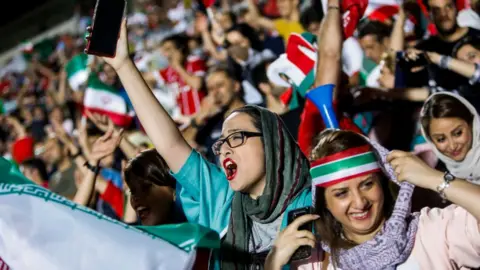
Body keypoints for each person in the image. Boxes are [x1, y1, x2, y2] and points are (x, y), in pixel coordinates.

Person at [86, 19, 312, 269]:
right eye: (222, 142)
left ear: (272, 142)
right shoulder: (220, 197)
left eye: (237, 137)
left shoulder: (310, 198)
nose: (225, 147)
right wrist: (123, 64)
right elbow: (170, 144)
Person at [266, 129, 480, 269]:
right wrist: (272, 264)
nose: (359, 202)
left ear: (382, 183)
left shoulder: (430, 231)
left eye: (367, 184)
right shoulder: (315, 263)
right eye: (341, 193)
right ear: (325, 204)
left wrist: (435, 179)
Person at [420, 92, 480, 184]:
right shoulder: (442, 169)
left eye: (458, 133)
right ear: (430, 140)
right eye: (441, 139)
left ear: (472, 125)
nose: (452, 146)